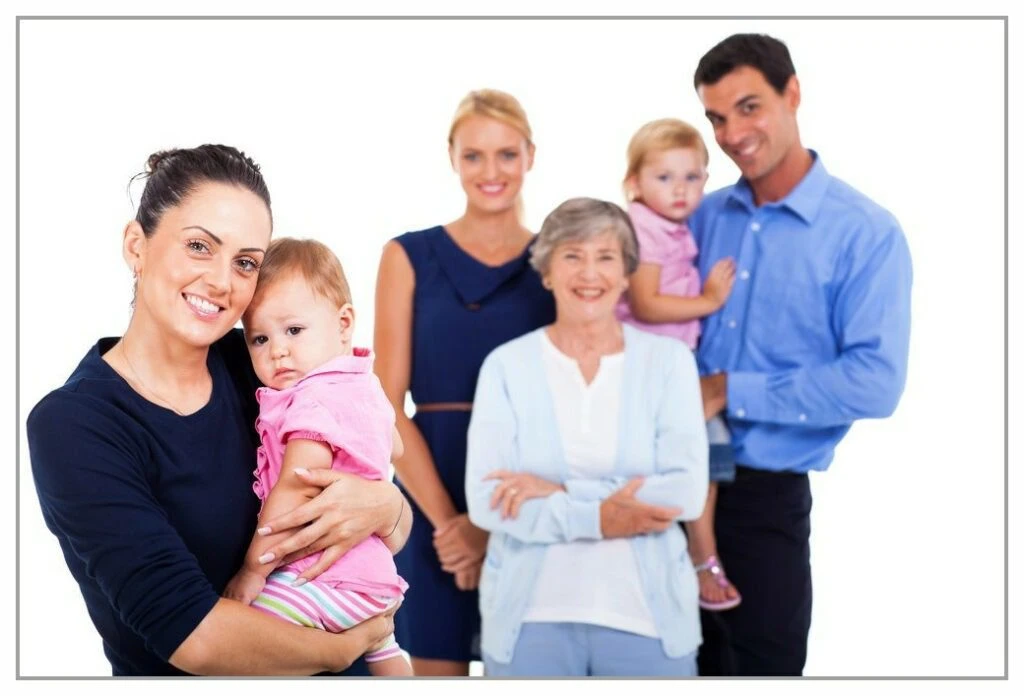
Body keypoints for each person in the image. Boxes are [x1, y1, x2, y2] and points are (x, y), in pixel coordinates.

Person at [26, 145, 411, 676]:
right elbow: (195, 639)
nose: (222, 282)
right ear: (136, 245)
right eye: (199, 246)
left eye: (245, 262)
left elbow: (391, 519)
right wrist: (342, 649)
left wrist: (386, 504)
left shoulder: (262, 361)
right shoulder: (75, 426)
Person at [688, 34, 913, 675]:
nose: (733, 133)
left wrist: (731, 387)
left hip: (763, 501)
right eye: (717, 117)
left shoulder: (865, 233)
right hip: (664, 484)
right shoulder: (697, 218)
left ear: (793, 93)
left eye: (749, 107)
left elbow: (876, 383)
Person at [464, 197, 709, 677]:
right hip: (529, 619)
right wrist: (603, 516)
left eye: (606, 257)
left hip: (648, 621)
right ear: (548, 271)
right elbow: (487, 499)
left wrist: (560, 492)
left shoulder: (669, 363)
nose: (589, 273)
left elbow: (685, 493)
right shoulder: (507, 366)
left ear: (625, 273)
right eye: (572, 255)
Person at [373, 89, 555, 676]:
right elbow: (385, 403)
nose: (491, 171)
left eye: (506, 154)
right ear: (452, 157)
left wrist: (488, 521)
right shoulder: (407, 255)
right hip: (430, 487)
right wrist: (452, 523)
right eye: (473, 155)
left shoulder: (558, 262)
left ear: (531, 154)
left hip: (525, 489)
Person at [222, 237, 412, 676]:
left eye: (294, 331)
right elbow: (394, 446)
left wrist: (252, 570)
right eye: (259, 338)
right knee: (385, 652)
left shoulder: (314, 401)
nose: (278, 351)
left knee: (249, 644)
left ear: (344, 323)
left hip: (325, 575)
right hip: (373, 577)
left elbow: (296, 483)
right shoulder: (362, 383)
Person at [615, 117, 741, 611]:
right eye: (664, 178)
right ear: (634, 184)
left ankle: (691, 552)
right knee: (702, 450)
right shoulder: (644, 226)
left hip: (671, 362)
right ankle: (700, 552)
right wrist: (710, 300)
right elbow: (646, 303)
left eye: (692, 177)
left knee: (697, 456)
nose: (681, 189)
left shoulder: (671, 226)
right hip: (650, 365)